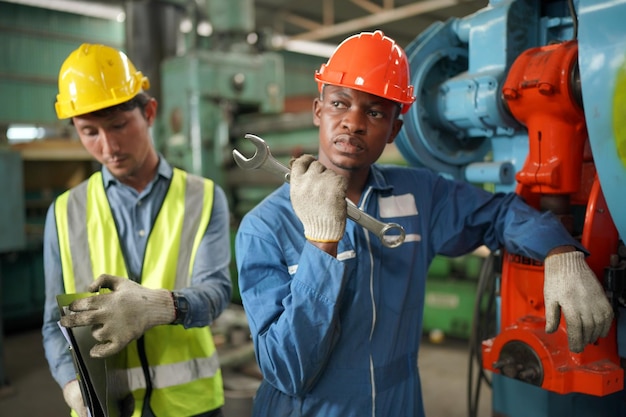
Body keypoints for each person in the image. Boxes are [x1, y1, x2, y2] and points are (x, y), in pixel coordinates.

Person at [234, 30, 614, 417]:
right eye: (339, 103)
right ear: (318, 110)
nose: (353, 122)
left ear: (396, 129)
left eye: (376, 111)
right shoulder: (264, 226)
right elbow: (287, 370)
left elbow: (499, 213)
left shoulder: (419, 195)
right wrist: (320, 246)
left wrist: (559, 250)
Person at [41, 43, 231, 417]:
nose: (108, 146)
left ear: (149, 112)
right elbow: (53, 323)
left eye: (118, 126)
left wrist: (156, 307)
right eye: (89, 132)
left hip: (190, 406)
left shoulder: (203, 196)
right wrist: (70, 385)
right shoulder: (65, 211)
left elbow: (217, 294)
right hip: (106, 406)